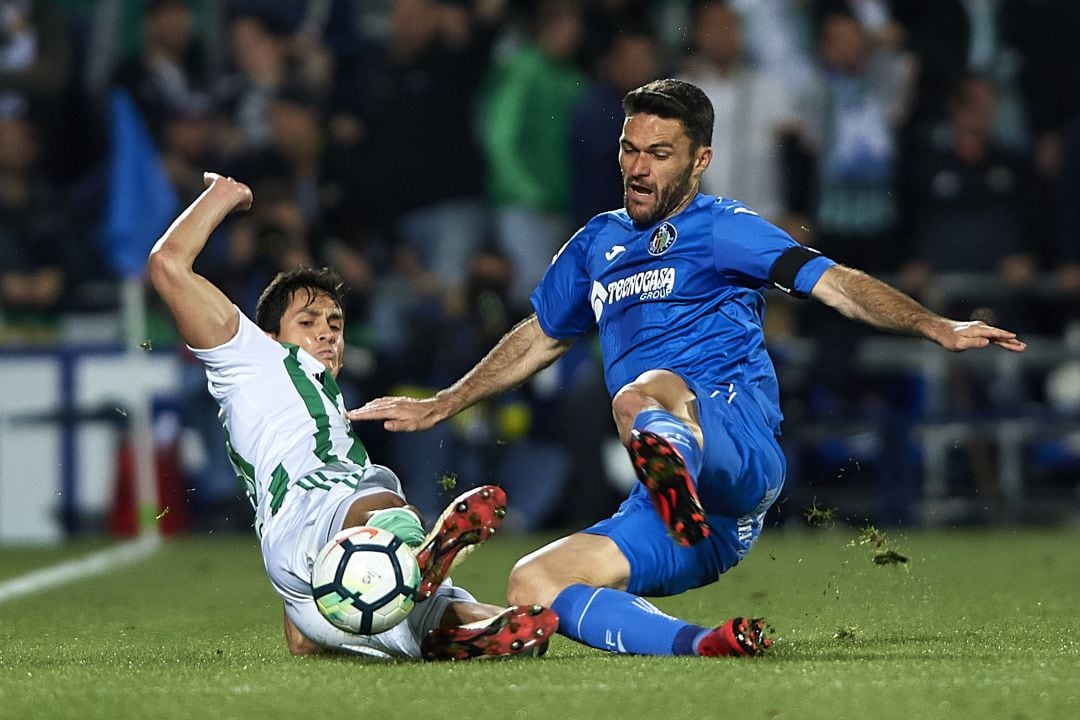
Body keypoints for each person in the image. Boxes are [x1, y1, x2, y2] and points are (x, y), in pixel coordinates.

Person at [348, 79, 1026, 657]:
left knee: (644, 391)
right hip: (706, 527)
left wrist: (935, 325)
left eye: (659, 155)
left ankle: (674, 460)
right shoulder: (596, 245)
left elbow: (835, 283)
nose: (638, 168)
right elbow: (540, 336)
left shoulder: (723, 228)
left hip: (740, 449)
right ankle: (703, 642)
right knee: (534, 582)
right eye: (629, 149)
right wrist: (446, 401)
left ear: (699, 160)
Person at [147, 171, 557, 660]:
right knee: (377, 493)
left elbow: (299, 641)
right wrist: (223, 195)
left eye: (336, 325)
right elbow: (168, 264)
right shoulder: (251, 357)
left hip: (303, 571)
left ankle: (487, 627)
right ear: (269, 335)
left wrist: (301, 628)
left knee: (414, 615)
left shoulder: (313, 402)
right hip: (325, 509)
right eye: (308, 322)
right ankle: (414, 553)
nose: (327, 334)